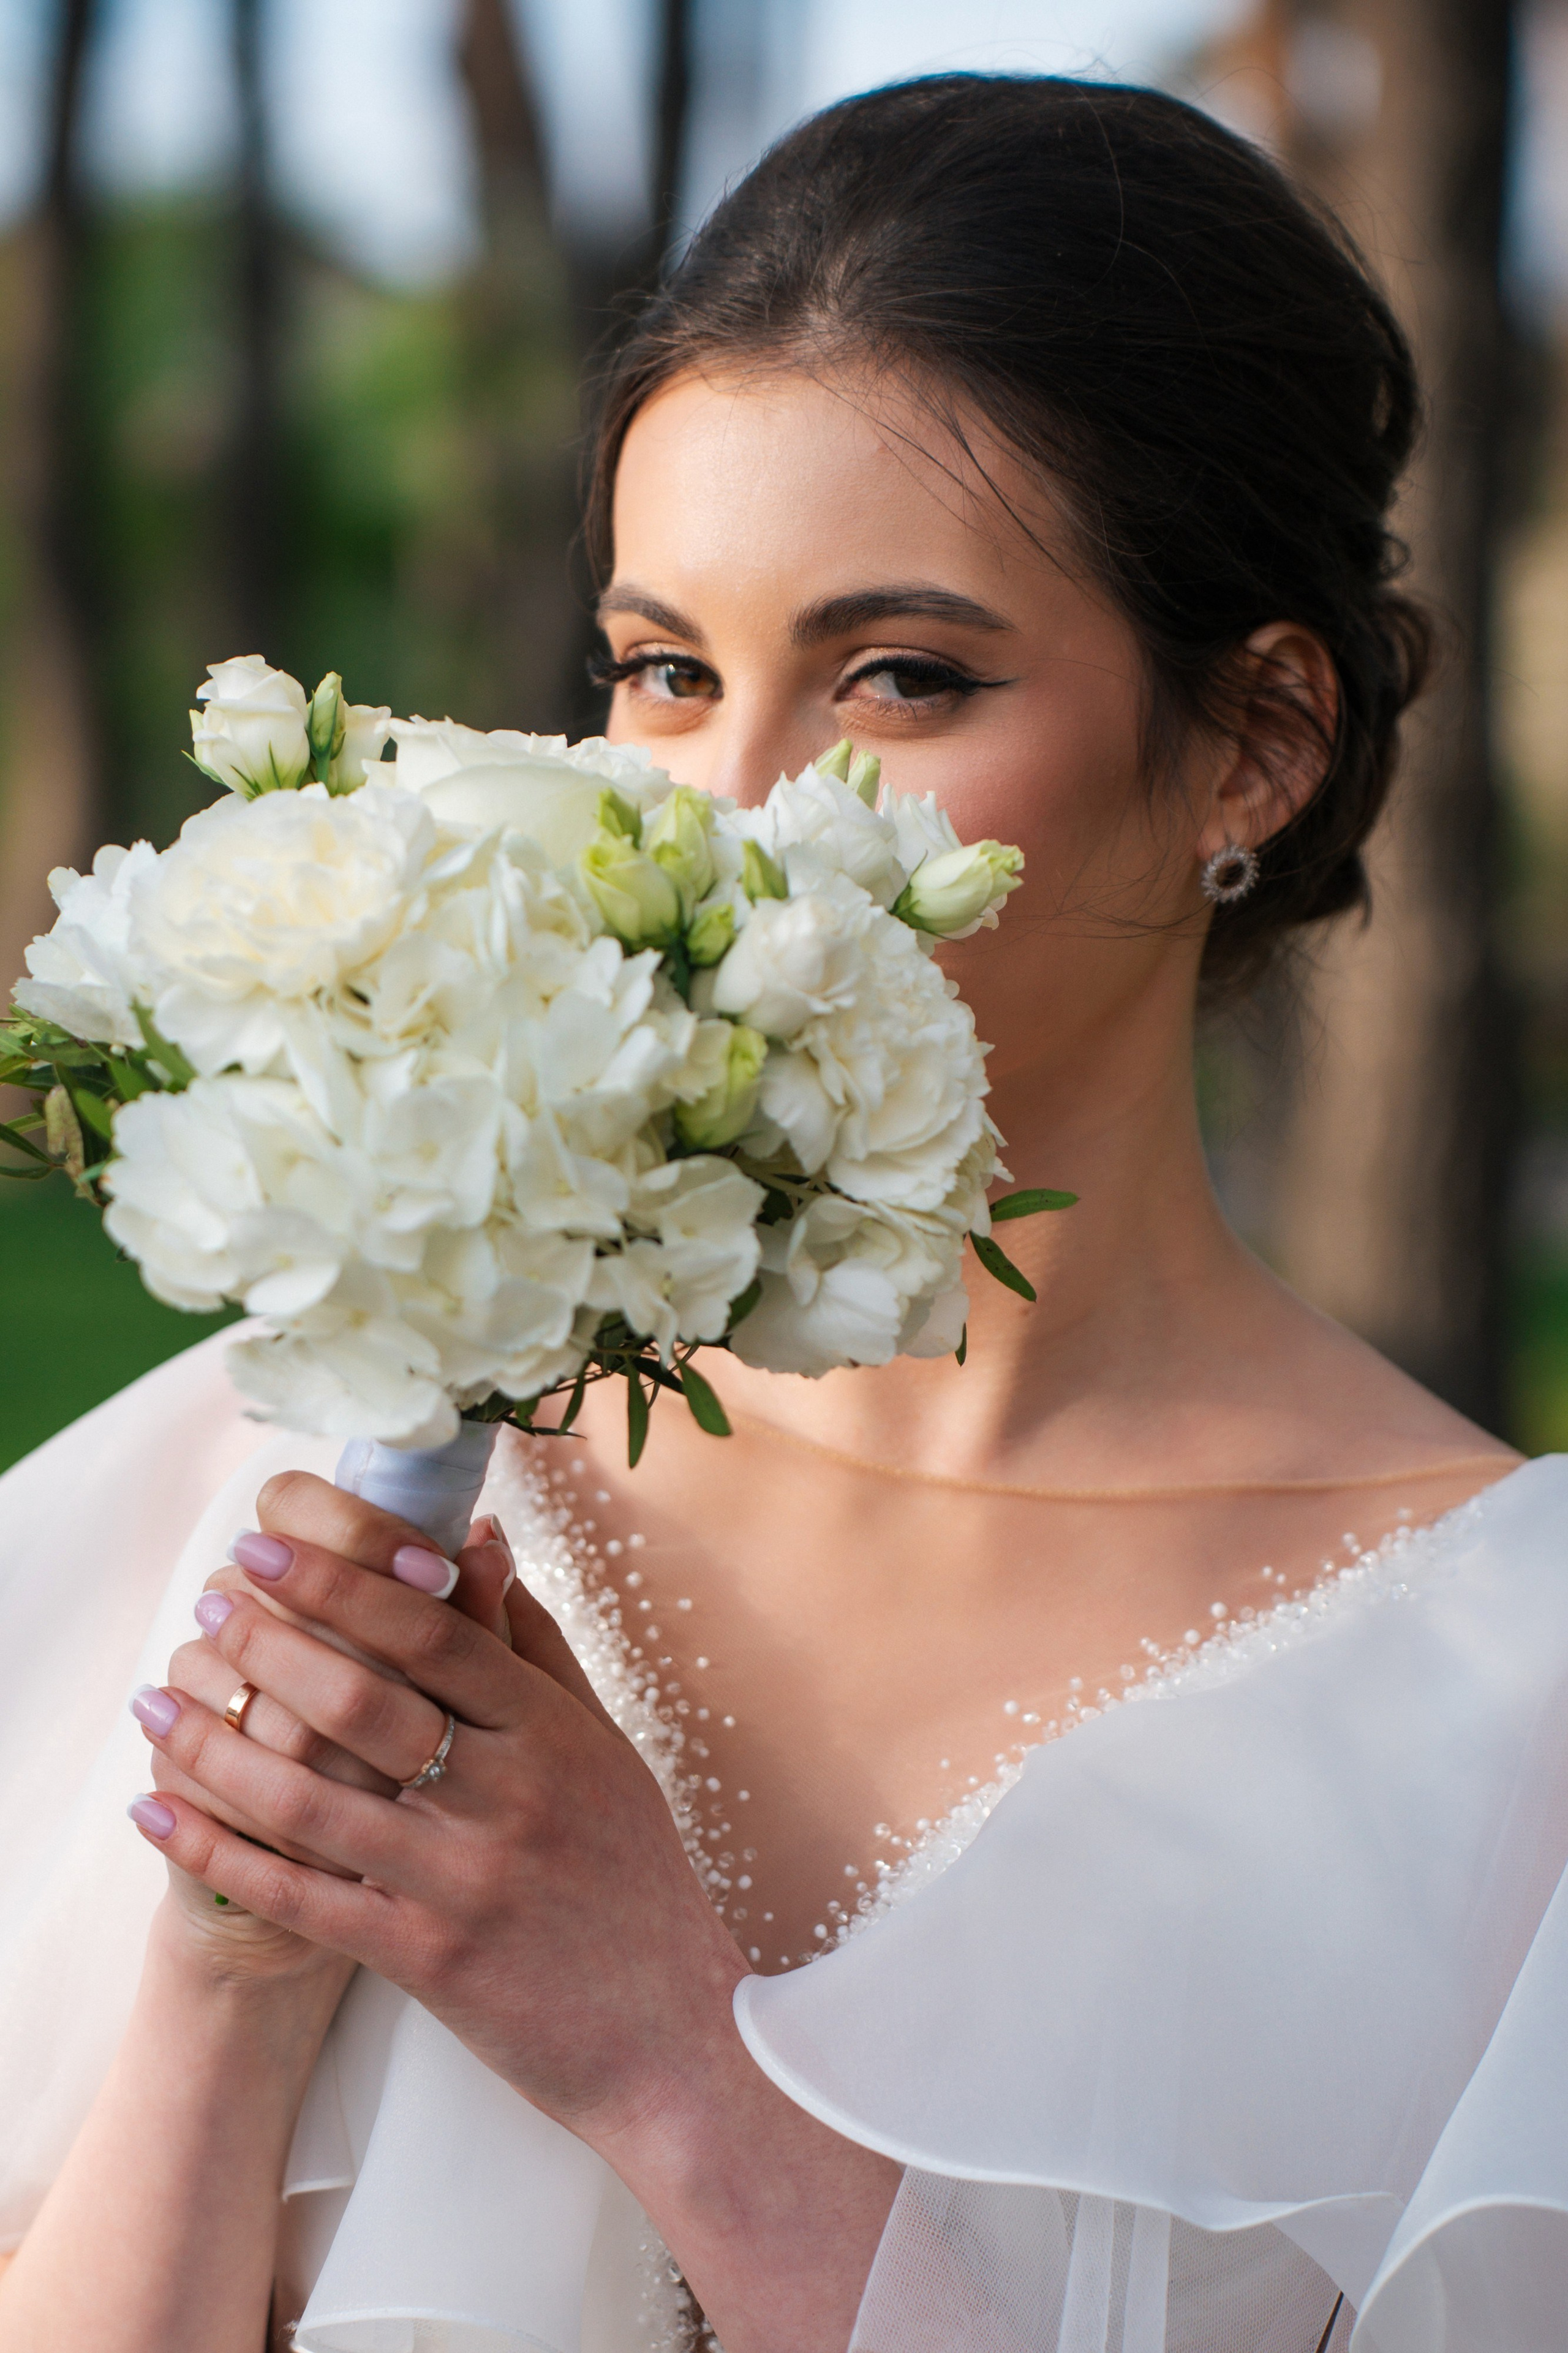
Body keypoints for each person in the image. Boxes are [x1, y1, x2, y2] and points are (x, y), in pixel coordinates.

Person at [0, 72, 1561, 2353]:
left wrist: (677, 2058)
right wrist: (230, 1975)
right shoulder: (327, 1468)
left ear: (1256, 740)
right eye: (669, 672)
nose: (727, 825)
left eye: (901, 677)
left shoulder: (1509, 1711)